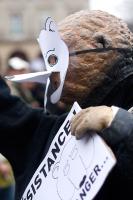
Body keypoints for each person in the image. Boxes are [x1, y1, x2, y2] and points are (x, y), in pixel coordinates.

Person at [0, 10, 133, 199]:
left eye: (56, 58)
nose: (51, 71)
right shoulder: (47, 131)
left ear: (101, 44)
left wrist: (119, 124)